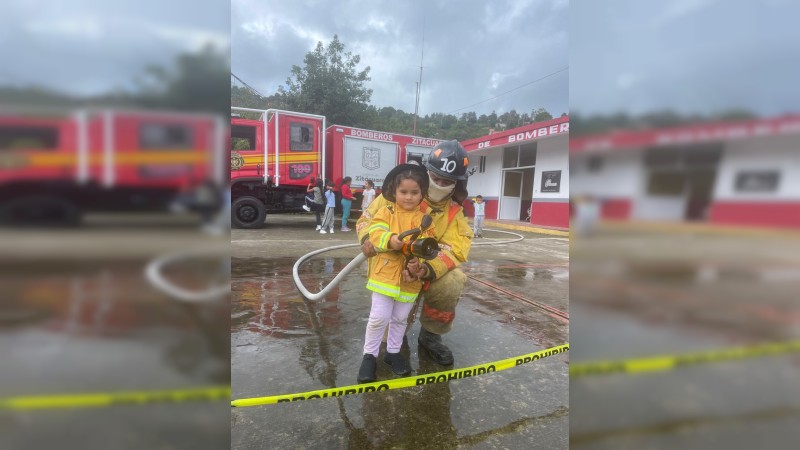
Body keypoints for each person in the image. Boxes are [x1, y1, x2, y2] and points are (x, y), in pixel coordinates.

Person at [356, 140, 472, 366]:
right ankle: (389, 343)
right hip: (388, 267)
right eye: (435, 178)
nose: (439, 184)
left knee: (454, 281)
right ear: (426, 172)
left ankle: (430, 335)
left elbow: (455, 250)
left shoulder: (455, 212)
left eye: (446, 181)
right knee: (390, 329)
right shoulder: (399, 190)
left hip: (422, 270)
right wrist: (369, 240)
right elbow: (366, 220)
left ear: (456, 183)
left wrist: (424, 269)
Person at [357, 163, 434, 383]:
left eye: (414, 192)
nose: (409, 197)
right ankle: (369, 356)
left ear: (422, 194)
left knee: (400, 318)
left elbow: (429, 245)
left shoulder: (425, 219)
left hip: (410, 280)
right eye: (403, 192)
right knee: (378, 318)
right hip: (385, 276)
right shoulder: (385, 211)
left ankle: (393, 352)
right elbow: (375, 232)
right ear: (393, 191)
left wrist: (418, 264)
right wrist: (391, 240)